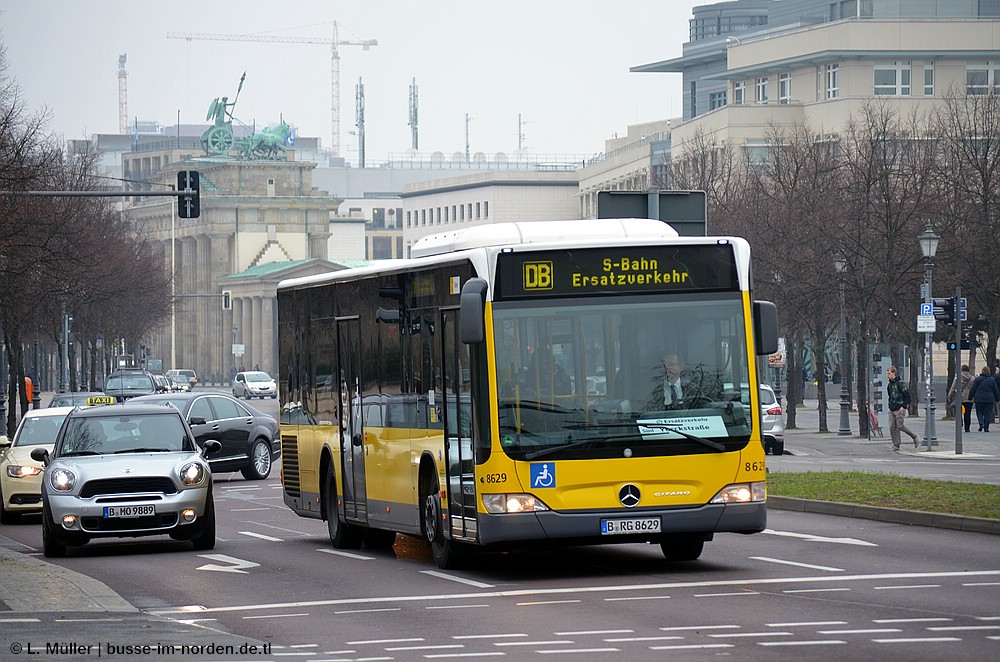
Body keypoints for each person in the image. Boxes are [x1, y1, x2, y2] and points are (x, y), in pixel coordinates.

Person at [886, 366, 919, 451]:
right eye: (887, 373)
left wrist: (904, 406)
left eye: (889, 373)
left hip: (899, 408)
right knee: (892, 427)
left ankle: (914, 436)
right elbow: (890, 397)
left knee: (900, 426)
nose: (887, 375)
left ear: (894, 373)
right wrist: (889, 407)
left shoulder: (900, 383)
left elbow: (907, 396)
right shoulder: (889, 385)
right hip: (892, 408)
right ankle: (896, 444)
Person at [968, 366, 1000, 432]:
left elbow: (973, 389)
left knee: (979, 412)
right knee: (988, 413)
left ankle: (981, 423)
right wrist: (997, 399)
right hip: (989, 399)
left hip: (979, 398)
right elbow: (995, 390)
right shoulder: (992, 380)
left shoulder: (978, 379)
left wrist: (970, 397)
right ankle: (986, 427)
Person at [947, 364, 975, 433]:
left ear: (962, 370)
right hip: (969, 398)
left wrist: (949, 396)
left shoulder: (958, 377)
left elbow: (953, 387)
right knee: (967, 414)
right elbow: (974, 389)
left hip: (960, 398)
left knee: (959, 412)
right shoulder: (972, 378)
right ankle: (967, 428)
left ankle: (960, 423)